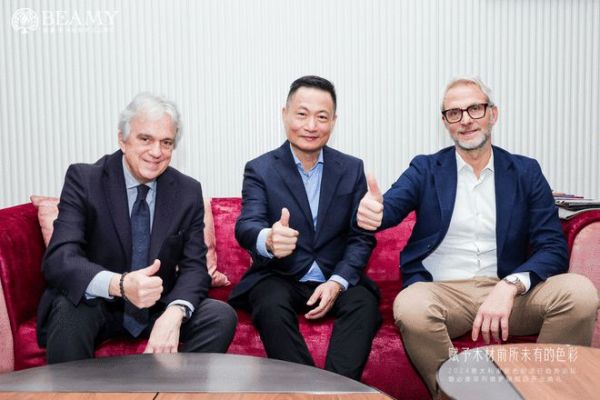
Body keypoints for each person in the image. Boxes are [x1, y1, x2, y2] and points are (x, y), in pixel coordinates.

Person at [356, 77, 599, 396]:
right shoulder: (426, 169)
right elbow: (388, 208)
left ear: (492, 114)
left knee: (580, 293)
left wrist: (509, 286)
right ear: (445, 122)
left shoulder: (525, 172)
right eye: (454, 113)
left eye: (475, 108)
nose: (466, 119)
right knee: (411, 306)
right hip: (443, 294)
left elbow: (552, 247)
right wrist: (372, 212)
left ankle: (540, 392)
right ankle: (458, 395)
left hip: (512, 296)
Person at [37, 93, 237, 363]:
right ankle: (76, 388)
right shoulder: (85, 180)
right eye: (145, 139)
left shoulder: (187, 191)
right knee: (68, 312)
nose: (156, 152)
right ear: (122, 139)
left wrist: (175, 313)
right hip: (100, 301)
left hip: (157, 304)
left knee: (220, 316)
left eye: (166, 142)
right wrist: (119, 284)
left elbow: (194, 269)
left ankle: (173, 386)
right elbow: (60, 259)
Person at [229, 76, 382, 380]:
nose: (311, 125)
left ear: (333, 121)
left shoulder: (352, 169)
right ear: (284, 114)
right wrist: (269, 240)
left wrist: (337, 282)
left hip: (334, 276)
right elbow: (247, 224)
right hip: (280, 276)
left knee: (365, 304)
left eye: (322, 117)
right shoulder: (260, 168)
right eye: (302, 114)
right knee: (269, 304)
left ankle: (339, 392)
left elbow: (361, 238)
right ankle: (309, 389)